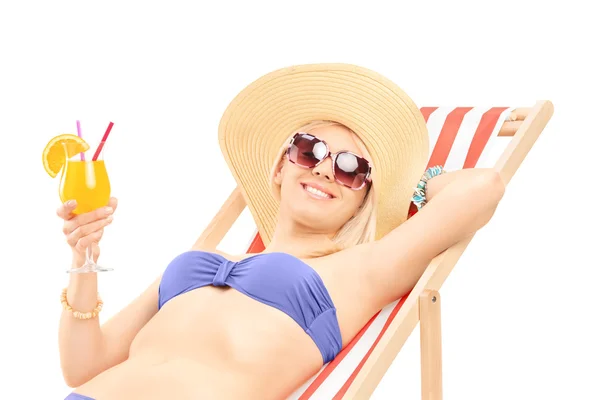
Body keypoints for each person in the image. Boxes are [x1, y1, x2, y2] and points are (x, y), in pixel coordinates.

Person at [57, 64, 506, 400]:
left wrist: (410, 184)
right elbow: (84, 366)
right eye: (310, 151)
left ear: (364, 196)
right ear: (279, 167)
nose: (327, 169)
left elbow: (483, 186)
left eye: (352, 169)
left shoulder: (360, 270)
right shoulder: (202, 261)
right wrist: (84, 257)